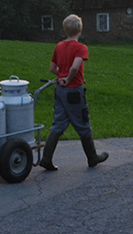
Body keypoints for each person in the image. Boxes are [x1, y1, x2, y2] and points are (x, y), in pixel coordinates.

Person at [39, 14, 108, 170]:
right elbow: (75, 67)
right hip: (74, 92)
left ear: (65, 30)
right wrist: (68, 79)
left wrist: (61, 77)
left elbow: (52, 68)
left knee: (58, 125)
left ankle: (46, 158)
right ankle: (92, 158)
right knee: (83, 125)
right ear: (80, 30)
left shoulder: (59, 46)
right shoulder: (81, 48)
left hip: (59, 91)